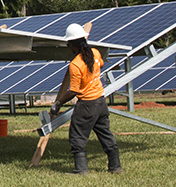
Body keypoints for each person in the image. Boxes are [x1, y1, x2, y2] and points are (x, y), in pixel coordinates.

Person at [49, 23, 123, 174]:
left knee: (77, 136)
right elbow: (100, 65)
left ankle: (81, 169)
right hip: (101, 102)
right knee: (105, 134)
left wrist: (58, 103)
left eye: (69, 44)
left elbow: (74, 90)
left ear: (72, 45)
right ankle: (115, 167)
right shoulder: (95, 53)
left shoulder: (75, 64)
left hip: (87, 105)